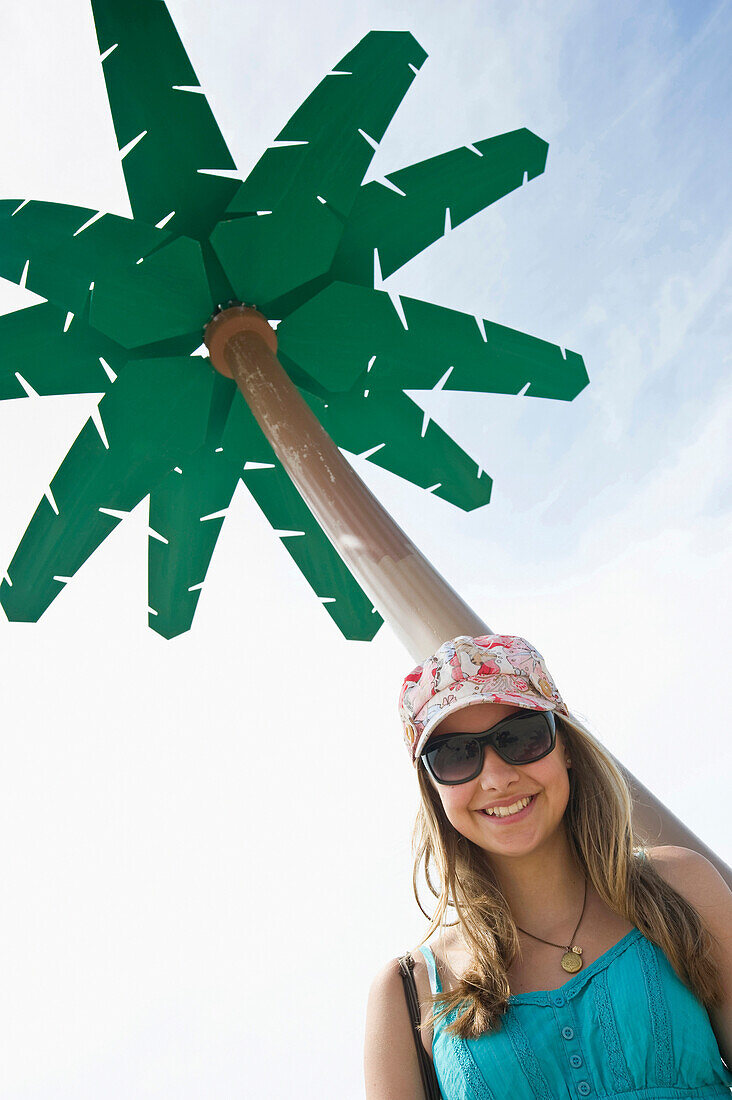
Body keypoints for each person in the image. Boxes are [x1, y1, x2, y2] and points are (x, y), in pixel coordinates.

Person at [364, 634, 732, 1100]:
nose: (497, 778)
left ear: (567, 747)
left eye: (520, 737)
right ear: (433, 789)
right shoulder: (406, 995)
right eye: (456, 755)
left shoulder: (681, 889)